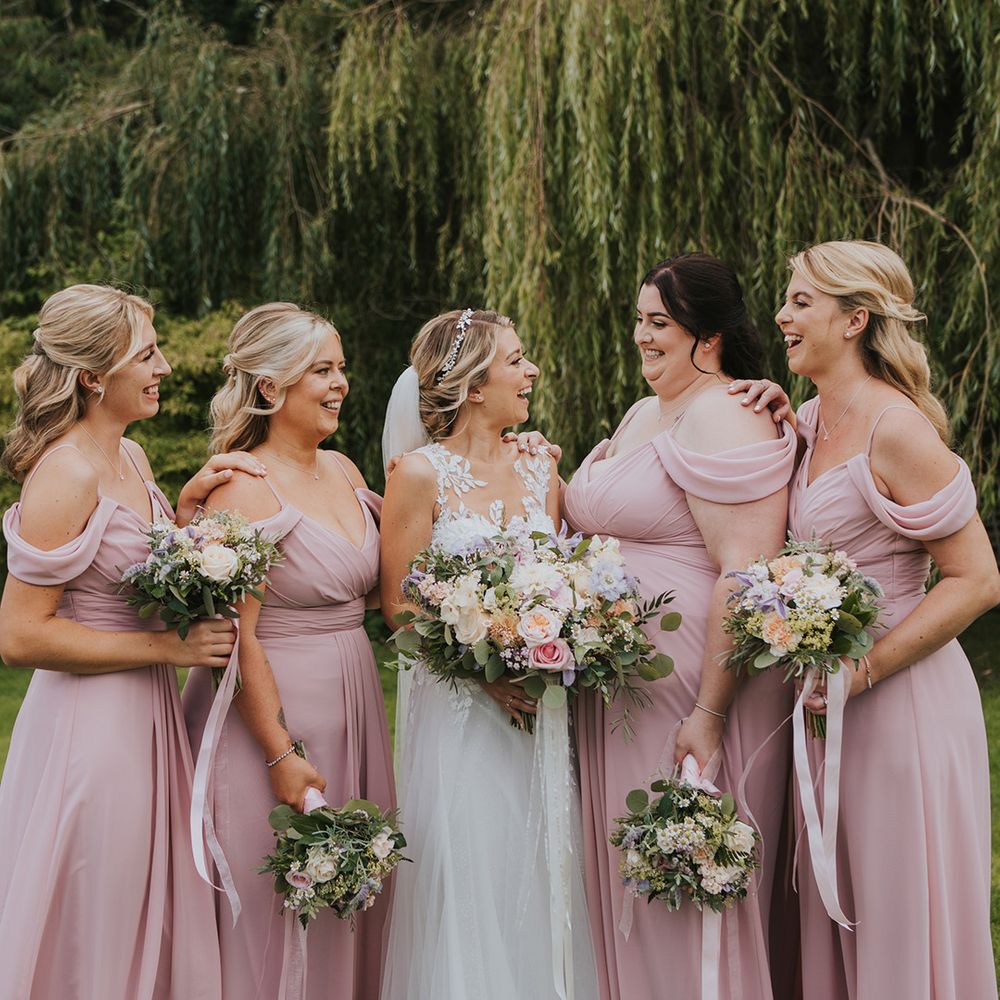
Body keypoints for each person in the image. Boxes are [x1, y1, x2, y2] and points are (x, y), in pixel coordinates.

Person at [738, 239, 999, 999]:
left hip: (901, 702)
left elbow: (977, 579)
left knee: (891, 904)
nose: (782, 316)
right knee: (834, 901)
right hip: (824, 702)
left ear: (855, 320)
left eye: (800, 302)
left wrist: (867, 666)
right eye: (786, 299)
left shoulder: (897, 429)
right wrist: (781, 421)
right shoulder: (811, 421)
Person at [0, 283, 257, 999]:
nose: (165, 367)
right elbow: (19, 635)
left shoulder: (134, 457)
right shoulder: (67, 472)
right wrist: (170, 652)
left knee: (152, 902)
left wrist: (189, 512)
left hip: (147, 720)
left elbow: (131, 569)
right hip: (92, 730)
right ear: (92, 377)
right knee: (98, 909)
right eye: (147, 354)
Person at [562, 254, 797, 1000]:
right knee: (632, 868)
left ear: (711, 334)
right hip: (621, 687)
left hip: (689, 685)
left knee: (679, 872)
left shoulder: (726, 412)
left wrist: (709, 712)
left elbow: (743, 571)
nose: (641, 336)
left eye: (659, 322)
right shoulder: (645, 411)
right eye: (639, 319)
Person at [378, 308, 598, 1000]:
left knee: (542, 869)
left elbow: (562, 580)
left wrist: (553, 648)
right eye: (517, 359)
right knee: (476, 867)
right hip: (466, 716)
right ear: (474, 385)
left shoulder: (540, 466)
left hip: (543, 708)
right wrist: (486, 676)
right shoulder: (418, 475)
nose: (531, 372)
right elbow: (402, 608)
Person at [182, 302, 395, 1000]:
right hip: (274, 717)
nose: (340, 383)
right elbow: (237, 635)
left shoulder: (341, 469)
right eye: (321, 371)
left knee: (349, 893)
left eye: (341, 368)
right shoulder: (242, 487)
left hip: (353, 704)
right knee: (278, 900)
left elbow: (370, 586)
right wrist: (278, 752)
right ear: (270, 389)